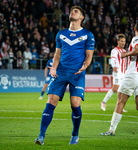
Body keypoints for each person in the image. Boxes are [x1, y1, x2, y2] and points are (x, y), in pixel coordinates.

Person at [35, 6, 95, 145]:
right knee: (51, 101)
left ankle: (75, 135)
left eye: (76, 12)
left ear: (81, 17)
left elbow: (89, 55)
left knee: (75, 104)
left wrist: (85, 66)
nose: (72, 12)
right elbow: (57, 54)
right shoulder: (61, 34)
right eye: (71, 11)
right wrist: (53, 69)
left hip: (77, 74)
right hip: (60, 72)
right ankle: (41, 136)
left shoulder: (88, 34)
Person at [101, 34, 127, 112]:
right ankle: (103, 102)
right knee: (115, 88)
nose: (123, 43)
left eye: (124, 41)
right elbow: (113, 60)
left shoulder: (125, 51)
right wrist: (114, 66)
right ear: (118, 41)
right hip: (117, 72)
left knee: (121, 90)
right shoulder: (114, 50)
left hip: (123, 72)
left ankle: (120, 106)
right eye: (121, 41)